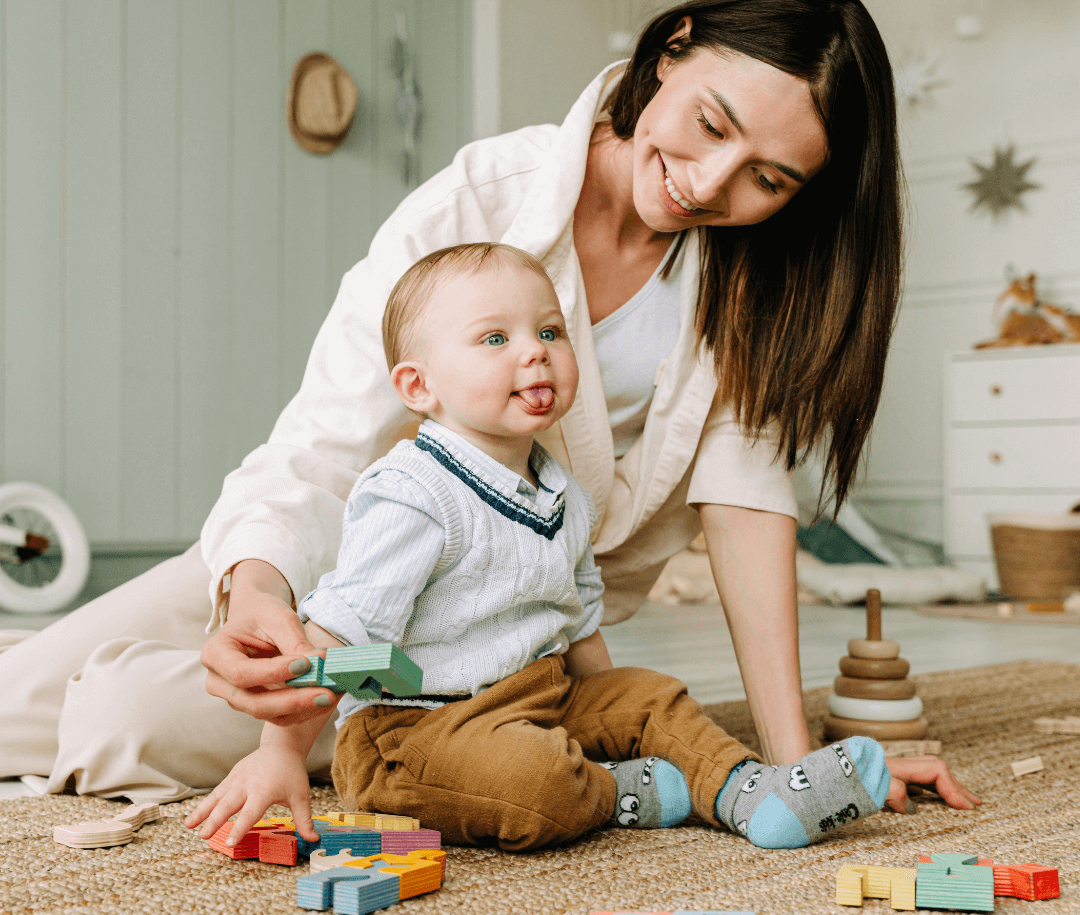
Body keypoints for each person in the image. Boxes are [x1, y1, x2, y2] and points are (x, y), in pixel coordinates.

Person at [0, 0, 974, 813]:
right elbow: (322, 443)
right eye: (710, 124)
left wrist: (793, 767)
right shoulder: (480, 202)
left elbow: (745, 508)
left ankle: (390, 735)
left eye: (768, 177)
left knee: (121, 718)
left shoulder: (756, 286)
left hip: (473, 643)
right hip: (340, 556)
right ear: (674, 47)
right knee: (19, 698)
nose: (712, 184)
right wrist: (255, 586)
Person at [184, 242, 943, 852]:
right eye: (495, 339)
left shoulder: (564, 491)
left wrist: (611, 716)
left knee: (655, 696)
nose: (536, 353)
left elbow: (578, 624)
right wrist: (281, 753)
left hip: (537, 695)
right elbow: (341, 637)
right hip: (414, 734)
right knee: (534, 780)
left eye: (550, 332)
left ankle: (755, 791)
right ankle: (627, 792)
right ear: (419, 386)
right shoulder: (413, 492)